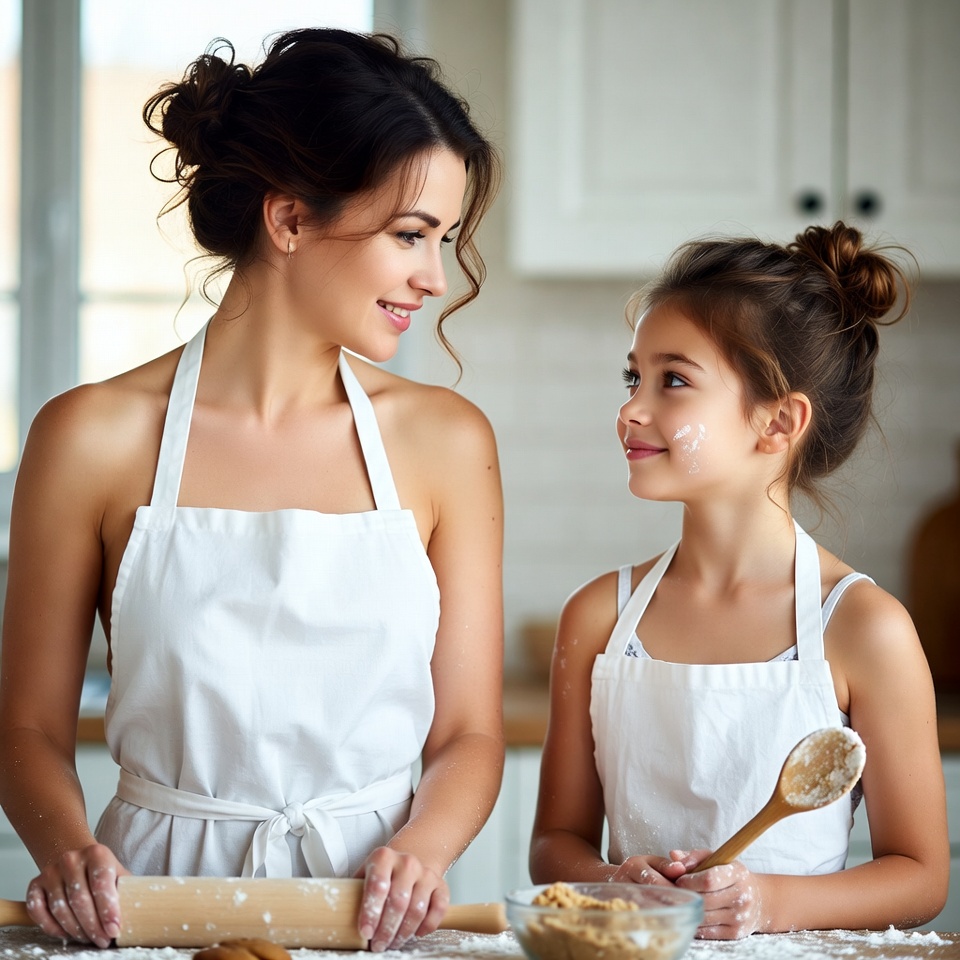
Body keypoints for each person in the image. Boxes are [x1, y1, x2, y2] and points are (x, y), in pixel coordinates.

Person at [0, 28, 504, 953]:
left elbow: (470, 733)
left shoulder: (445, 442)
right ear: (291, 221)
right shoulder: (89, 437)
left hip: (369, 918)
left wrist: (424, 852)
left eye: (442, 241)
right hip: (149, 912)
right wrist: (70, 854)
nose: (434, 278)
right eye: (411, 236)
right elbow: (26, 724)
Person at [529, 222, 949, 938]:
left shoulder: (863, 627)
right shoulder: (600, 616)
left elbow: (920, 875)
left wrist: (769, 903)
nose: (632, 407)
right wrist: (613, 882)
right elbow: (553, 846)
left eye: (674, 381)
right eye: (635, 377)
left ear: (778, 421)